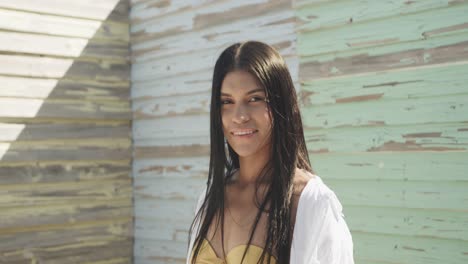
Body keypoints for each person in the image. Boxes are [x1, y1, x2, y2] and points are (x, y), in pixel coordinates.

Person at [186, 41, 354, 264]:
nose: (239, 115)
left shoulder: (310, 203)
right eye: (227, 101)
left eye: (254, 99)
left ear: (280, 104)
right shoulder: (210, 198)